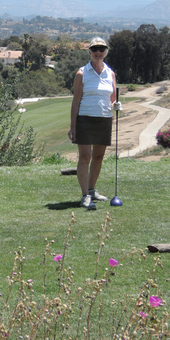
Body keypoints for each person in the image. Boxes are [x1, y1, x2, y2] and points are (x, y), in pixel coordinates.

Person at [67, 37, 122, 210]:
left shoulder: (110, 73)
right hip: (85, 119)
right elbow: (76, 101)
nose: (98, 52)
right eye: (95, 49)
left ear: (106, 52)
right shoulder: (82, 73)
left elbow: (112, 98)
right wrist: (73, 126)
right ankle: (85, 196)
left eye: (102, 49)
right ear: (90, 52)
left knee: (98, 157)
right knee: (85, 157)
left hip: (104, 119)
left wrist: (116, 105)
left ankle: (91, 190)